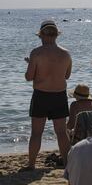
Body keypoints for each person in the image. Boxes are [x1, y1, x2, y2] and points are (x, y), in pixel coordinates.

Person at [21, 20, 72, 171]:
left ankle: (31, 164)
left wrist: (31, 65)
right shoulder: (65, 54)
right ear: (56, 35)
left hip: (41, 95)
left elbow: (29, 77)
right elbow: (67, 76)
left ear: (41, 35)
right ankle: (68, 164)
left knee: (36, 133)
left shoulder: (36, 53)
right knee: (62, 133)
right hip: (59, 96)